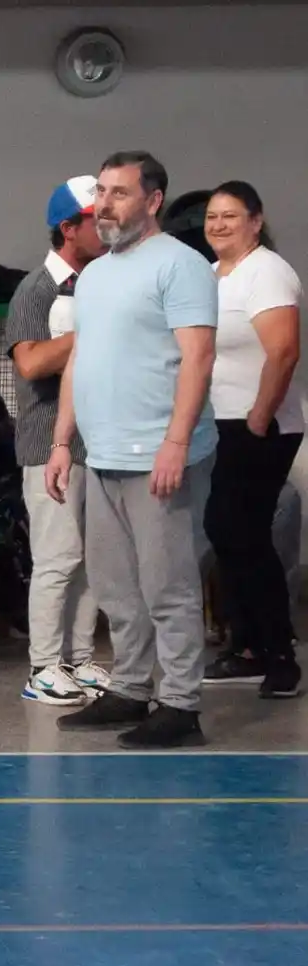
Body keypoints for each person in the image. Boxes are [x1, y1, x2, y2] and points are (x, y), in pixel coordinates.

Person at [46, 151, 219, 749]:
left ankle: (180, 704)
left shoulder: (182, 265)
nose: (105, 205)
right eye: (101, 192)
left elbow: (198, 357)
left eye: (120, 193)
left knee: (167, 585)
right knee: (116, 583)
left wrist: (176, 443)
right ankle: (130, 687)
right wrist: (63, 441)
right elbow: (80, 362)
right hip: (103, 455)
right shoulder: (94, 275)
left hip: (158, 456)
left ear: (153, 200)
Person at [4, 175, 109, 705]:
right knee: (57, 558)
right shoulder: (37, 289)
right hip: (48, 445)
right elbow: (29, 362)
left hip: (98, 445)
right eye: (96, 217)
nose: (107, 223)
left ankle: (81, 660)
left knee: (90, 559)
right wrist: (91, 329)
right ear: (69, 228)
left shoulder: (102, 281)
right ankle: (43, 666)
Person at [200, 180, 303, 696]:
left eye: (230, 216)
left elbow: (283, 351)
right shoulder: (213, 275)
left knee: (242, 533)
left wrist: (260, 416)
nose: (218, 225)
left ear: (256, 222)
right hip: (219, 422)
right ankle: (247, 647)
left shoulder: (268, 272)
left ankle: (279, 654)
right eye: (213, 216)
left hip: (259, 424)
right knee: (227, 534)